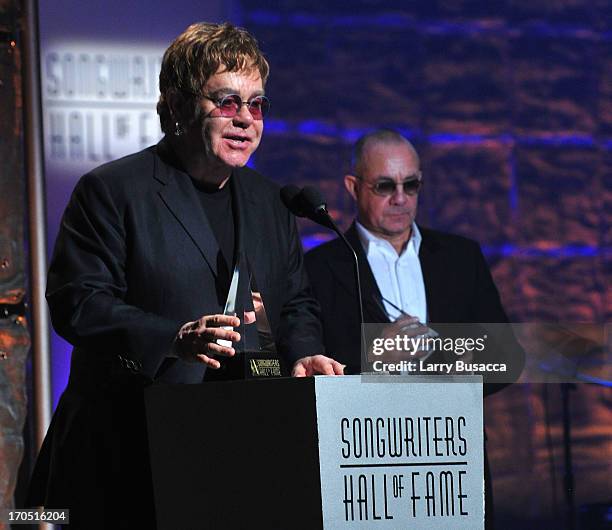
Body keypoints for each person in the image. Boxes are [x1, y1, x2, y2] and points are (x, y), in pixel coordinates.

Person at [28, 22, 342, 529]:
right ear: (175, 106)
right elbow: (77, 302)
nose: (245, 119)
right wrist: (171, 338)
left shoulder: (272, 203)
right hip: (127, 456)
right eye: (226, 101)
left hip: (238, 458)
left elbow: (297, 301)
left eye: (256, 104)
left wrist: (303, 351)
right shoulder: (112, 190)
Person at [304, 128, 524, 529]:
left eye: (412, 184)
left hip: (454, 458)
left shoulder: (461, 256)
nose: (401, 198)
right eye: (385, 185)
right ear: (353, 187)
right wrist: (375, 357)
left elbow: (508, 357)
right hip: (363, 463)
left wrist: (442, 355)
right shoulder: (318, 268)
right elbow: (307, 372)